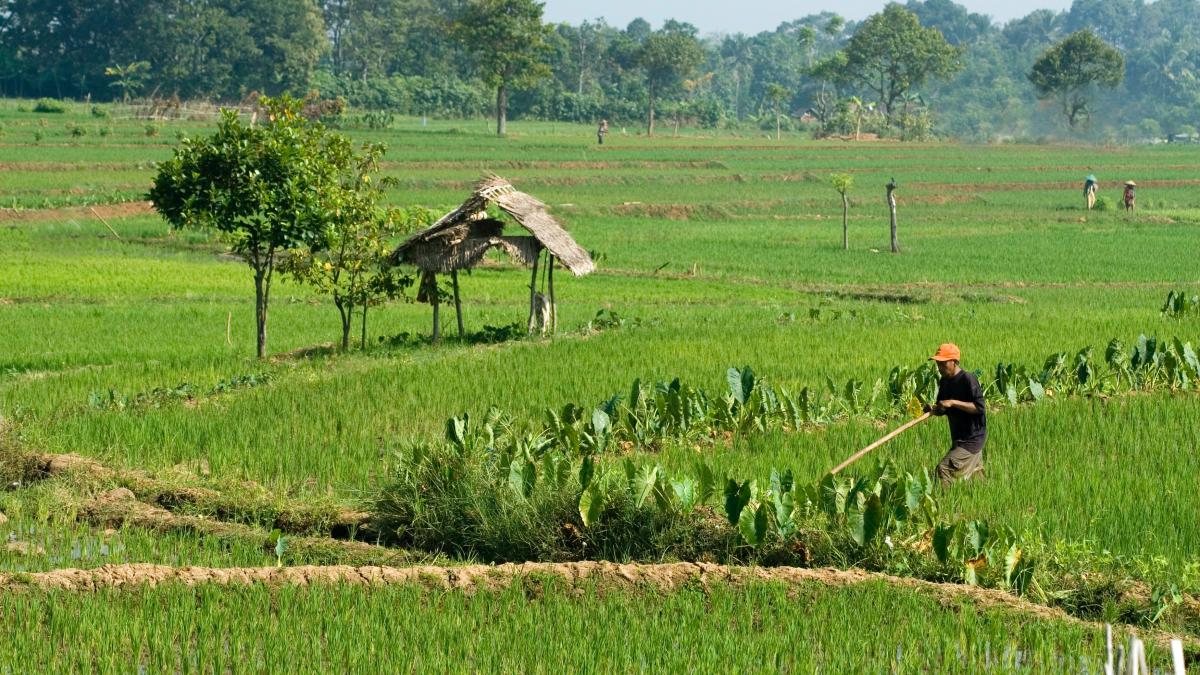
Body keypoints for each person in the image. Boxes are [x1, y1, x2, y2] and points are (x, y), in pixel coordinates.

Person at [926, 343, 987, 486]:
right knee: (976, 480)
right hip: (959, 437)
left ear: (954, 362)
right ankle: (980, 499)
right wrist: (933, 409)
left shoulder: (967, 379)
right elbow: (943, 408)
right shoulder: (944, 381)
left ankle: (943, 504)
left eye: (943, 363)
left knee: (943, 469)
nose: (940, 367)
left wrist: (953, 402)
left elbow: (979, 408)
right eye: (938, 363)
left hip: (972, 438)